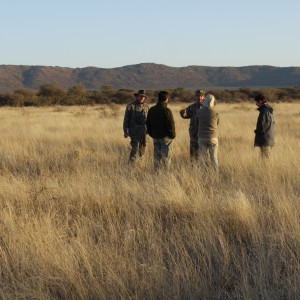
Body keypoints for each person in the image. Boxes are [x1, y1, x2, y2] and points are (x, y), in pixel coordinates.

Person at [146, 91, 176, 171]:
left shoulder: (152, 110)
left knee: (157, 158)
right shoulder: (167, 110)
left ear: (158, 99)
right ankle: (165, 176)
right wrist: (172, 136)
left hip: (155, 137)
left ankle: (156, 175)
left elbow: (148, 124)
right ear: (166, 99)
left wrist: (152, 134)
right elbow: (171, 125)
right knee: (166, 158)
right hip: (166, 138)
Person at [123, 89, 149, 164]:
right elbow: (126, 120)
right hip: (134, 132)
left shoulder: (147, 106)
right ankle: (131, 165)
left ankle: (140, 163)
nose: (142, 98)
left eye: (144, 97)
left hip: (145, 132)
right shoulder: (130, 106)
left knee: (143, 149)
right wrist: (125, 131)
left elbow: (149, 119)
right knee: (134, 149)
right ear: (137, 96)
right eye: (140, 96)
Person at [179, 89, 206, 161]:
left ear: (204, 97)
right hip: (194, 134)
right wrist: (182, 113)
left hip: (204, 134)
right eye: (198, 96)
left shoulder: (207, 107)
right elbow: (186, 115)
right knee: (193, 154)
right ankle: (193, 169)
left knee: (204, 154)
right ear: (195, 97)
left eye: (201, 96)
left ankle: (205, 169)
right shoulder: (192, 107)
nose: (199, 97)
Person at [195, 94, 219, 171]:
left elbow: (196, 124)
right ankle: (215, 173)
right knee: (214, 157)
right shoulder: (215, 112)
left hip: (201, 137)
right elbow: (217, 123)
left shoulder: (199, 112)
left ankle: (203, 173)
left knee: (202, 157)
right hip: (213, 137)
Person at [253, 94, 275, 158]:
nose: (255, 104)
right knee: (266, 155)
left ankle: (266, 167)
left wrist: (257, 131)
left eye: (256, 102)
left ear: (260, 101)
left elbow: (263, 124)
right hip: (268, 137)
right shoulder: (267, 109)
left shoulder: (264, 111)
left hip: (265, 137)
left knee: (265, 156)